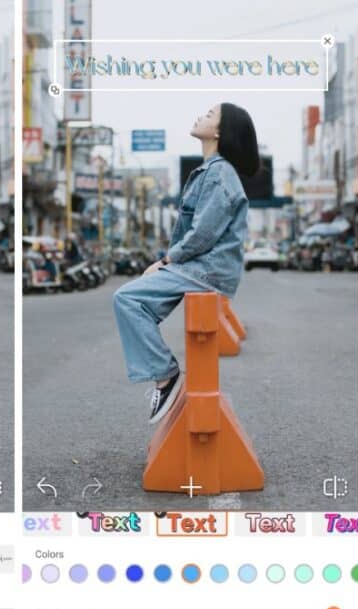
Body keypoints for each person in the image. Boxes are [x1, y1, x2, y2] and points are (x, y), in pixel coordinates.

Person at [113, 103, 258, 425]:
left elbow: (203, 234)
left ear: (220, 131)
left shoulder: (219, 173)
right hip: (201, 269)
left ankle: (165, 377)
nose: (200, 116)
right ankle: (163, 374)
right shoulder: (212, 170)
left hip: (204, 269)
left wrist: (165, 261)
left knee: (127, 297)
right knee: (139, 304)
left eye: (209, 115)